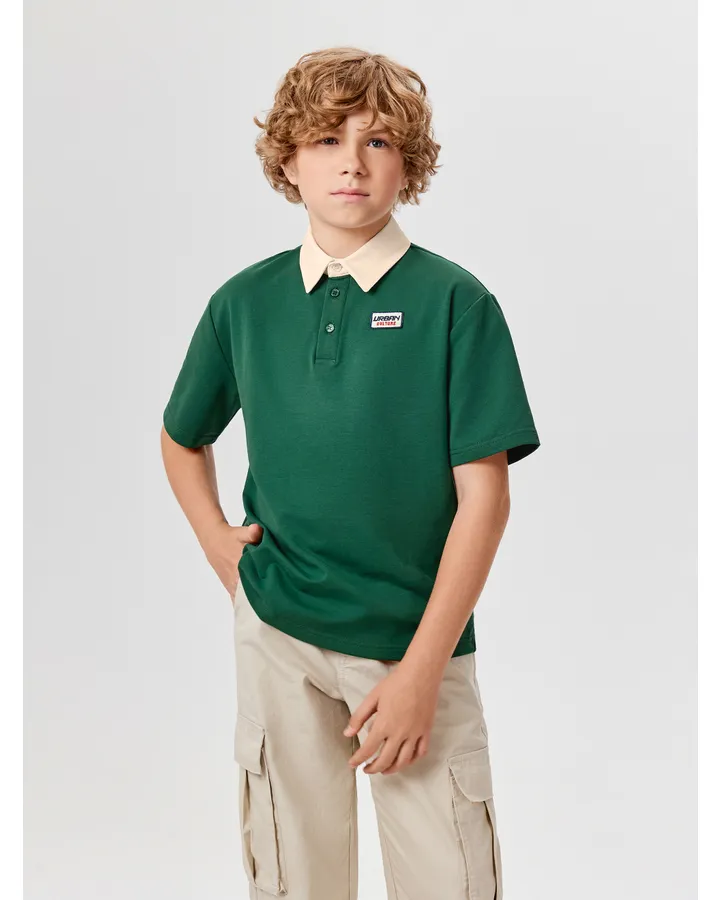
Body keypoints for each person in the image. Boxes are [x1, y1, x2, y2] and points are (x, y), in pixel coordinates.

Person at [160, 46, 540, 900]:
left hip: (414, 642)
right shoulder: (243, 303)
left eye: (377, 141)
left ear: (409, 162)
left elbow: (486, 499)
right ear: (288, 161)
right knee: (293, 877)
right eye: (327, 140)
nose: (352, 163)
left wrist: (422, 672)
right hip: (279, 631)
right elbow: (182, 437)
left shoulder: (456, 303)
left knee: (450, 876)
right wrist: (218, 544)